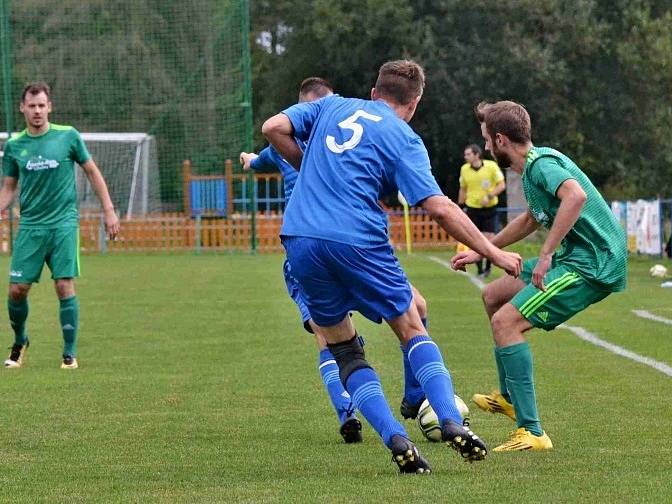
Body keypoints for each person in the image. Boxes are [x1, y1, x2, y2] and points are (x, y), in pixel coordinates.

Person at [262, 60, 522, 473]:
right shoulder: (403, 137)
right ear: (414, 104)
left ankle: (394, 439)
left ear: (373, 91)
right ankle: (450, 419)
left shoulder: (331, 106)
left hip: (300, 239)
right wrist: (493, 251)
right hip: (357, 237)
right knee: (412, 324)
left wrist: (306, 165)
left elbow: (273, 128)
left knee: (344, 348)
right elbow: (438, 206)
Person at [240, 77, 432, 444]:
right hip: (351, 241)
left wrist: (250, 161)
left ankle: (348, 407)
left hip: (305, 247)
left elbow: (265, 152)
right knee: (413, 309)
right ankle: (417, 397)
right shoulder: (342, 134)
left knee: (329, 338)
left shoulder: (292, 139)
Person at [452, 100, 627, 451]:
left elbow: (574, 197)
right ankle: (507, 396)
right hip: (573, 256)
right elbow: (529, 220)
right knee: (493, 295)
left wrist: (545, 255)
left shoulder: (542, 164)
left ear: (500, 139)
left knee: (506, 323)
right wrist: (484, 250)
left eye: (487, 140)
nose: (485, 147)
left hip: (591, 264)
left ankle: (532, 431)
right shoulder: (533, 169)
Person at [0, 82, 119, 370]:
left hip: (63, 224)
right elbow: (9, 187)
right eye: (32, 105)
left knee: (64, 285)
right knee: (17, 290)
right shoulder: (15, 146)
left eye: (42, 105)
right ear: (22, 108)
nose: (37, 110)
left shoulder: (68, 136)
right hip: (30, 226)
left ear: (49, 107)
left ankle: (69, 353)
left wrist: (109, 210)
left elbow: (92, 170)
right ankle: (20, 341)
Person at [458, 143, 505, 277]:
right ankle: (479, 269)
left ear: (477, 155)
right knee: (475, 239)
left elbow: (502, 185)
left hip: (490, 208)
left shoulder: (491, 166)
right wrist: (461, 206)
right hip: (472, 208)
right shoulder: (464, 169)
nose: (465, 157)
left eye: (468, 154)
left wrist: (489, 196)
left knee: (490, 238)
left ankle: (488, 267)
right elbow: (463, 188)